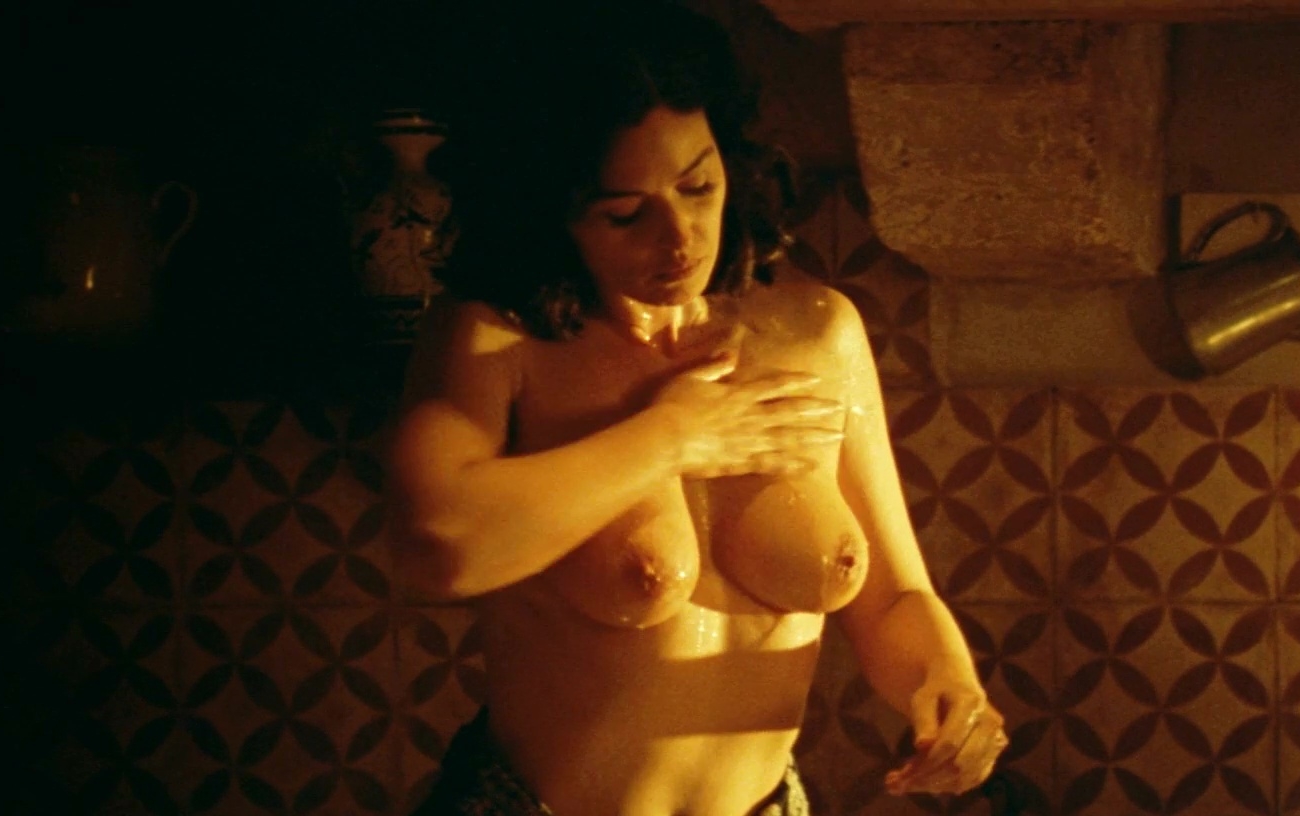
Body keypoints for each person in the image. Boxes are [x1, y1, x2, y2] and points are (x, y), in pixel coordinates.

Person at [384, 2, 1007, 814]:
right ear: (554, 209)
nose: (679, 238)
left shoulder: (818, 334)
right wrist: (672, 437)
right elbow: (436, 542)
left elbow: (894, 599)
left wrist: (949, 685)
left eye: (698, 186)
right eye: (624, 212)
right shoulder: (499, 341)